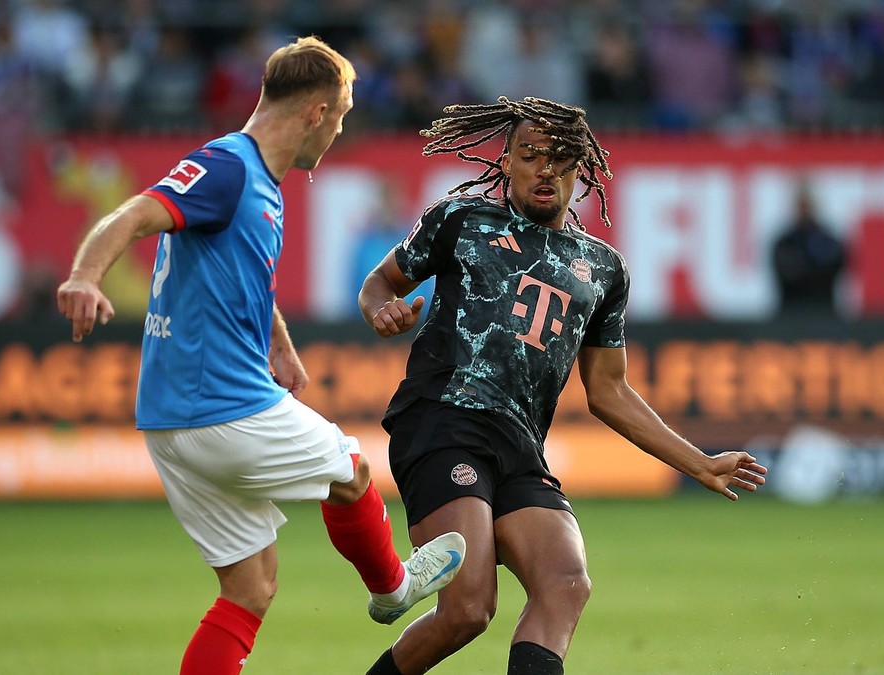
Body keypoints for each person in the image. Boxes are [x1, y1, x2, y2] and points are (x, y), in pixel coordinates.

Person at [55, 36, 465, 675]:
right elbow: (135, 213)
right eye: (341, 117)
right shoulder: (228, 169)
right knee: (351, 469)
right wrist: (85, 276)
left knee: (249, 589)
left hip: (169, 421)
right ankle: (393, 588)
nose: (336, 135)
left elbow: (241, 274)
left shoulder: (255, 183)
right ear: (315, 113)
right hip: (218, 406)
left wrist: (279, 344)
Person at [358, 96, 769, 675]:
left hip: (521, 448)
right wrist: (381, 309)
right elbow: (382, 282)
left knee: (566, 584)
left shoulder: (603, 268)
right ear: (505, 160)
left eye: (561, 158)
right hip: (444, 420)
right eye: (530, 155)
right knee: (469, 609)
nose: (545, 169)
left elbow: (609, 391)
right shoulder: (460, 220)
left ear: (582, 171)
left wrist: (698, 463)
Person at [770, 181, 846, 316]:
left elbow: (835, 268)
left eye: (807, 204)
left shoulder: (829, 241)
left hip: (824, 317)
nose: (804, 210)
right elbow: (789, 274)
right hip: (790, 318)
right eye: (801, 205)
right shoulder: (784, 243)